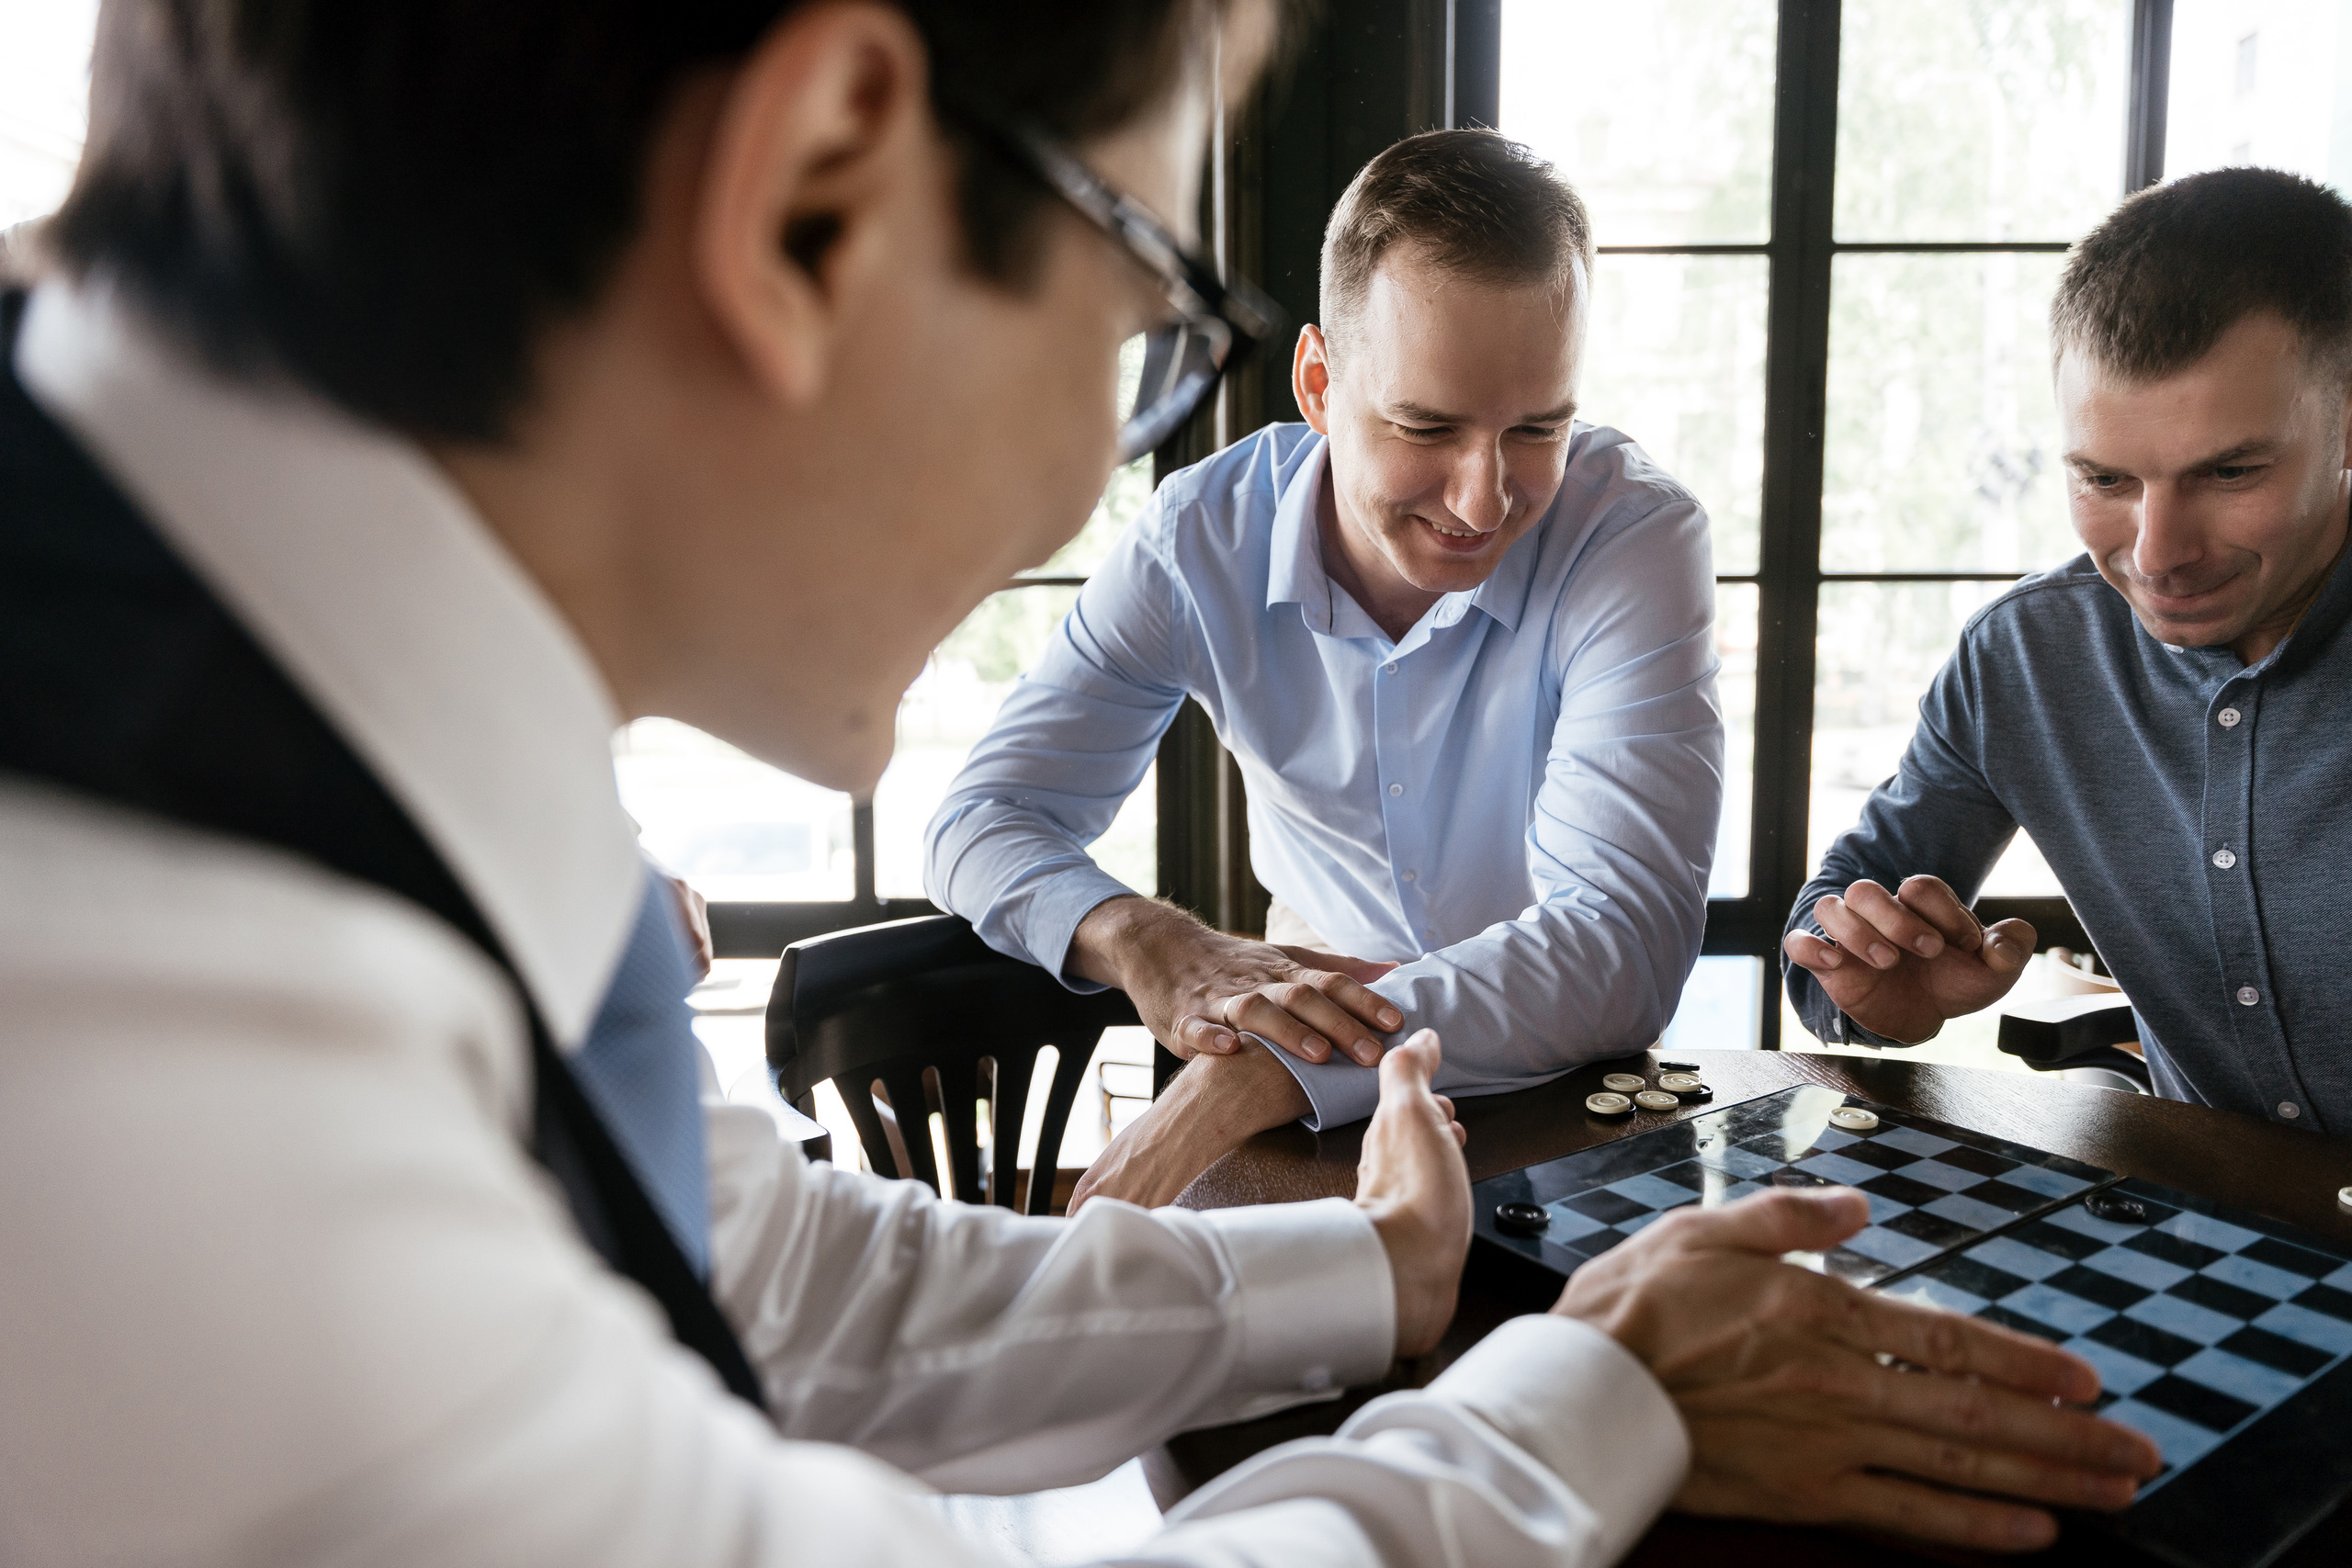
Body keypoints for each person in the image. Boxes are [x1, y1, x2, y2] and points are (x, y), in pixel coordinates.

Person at [0, 3, 2156, 1563]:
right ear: (814, 193)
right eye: (1135, 300)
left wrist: (1375, 1275)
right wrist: (1590, 1393)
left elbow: (782, 1275)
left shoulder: (351, 719)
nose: (1092, 454)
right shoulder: (135, 1034)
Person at [926, 130, 1724, 1210]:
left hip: (1569, 1098)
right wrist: (1137, 933)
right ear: (1317, 382)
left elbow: (1620, 947)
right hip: (1307, 1127)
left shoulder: (1633, 538)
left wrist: (1264, 1067)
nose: (1483, 500)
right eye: (1425, 426)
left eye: (1538, 429)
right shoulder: (1195, 541)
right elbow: (982, 818)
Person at [1782, 167, 2352, 1136]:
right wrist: (1870, 978)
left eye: (2230, 472)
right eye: (2104, 478)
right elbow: (1835, 910)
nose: (2156, 552)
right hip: (2209, 1234)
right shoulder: (2027, 661)